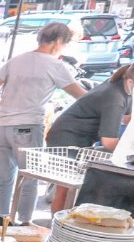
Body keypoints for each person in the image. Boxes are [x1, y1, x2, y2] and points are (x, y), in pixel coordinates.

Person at [0, 21, 87, 224]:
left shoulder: (16, 60)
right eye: (64, 45)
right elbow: (81, 96)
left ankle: (1, 221)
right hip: (27, 127)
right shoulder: (56, 65)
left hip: (1, 125)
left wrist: (4, 104)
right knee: (29, 178)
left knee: (4, 179)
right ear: (57, 42)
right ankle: (23, 222)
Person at [44, 64, 134, 212]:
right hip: (67, 138)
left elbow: (126, 119)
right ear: (130, 82)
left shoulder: (122, 88)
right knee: (66, 188)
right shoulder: (115, 98)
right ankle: (57, 226)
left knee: (71, 188)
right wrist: (128, 151)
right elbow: (108, 142)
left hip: (81, 138)